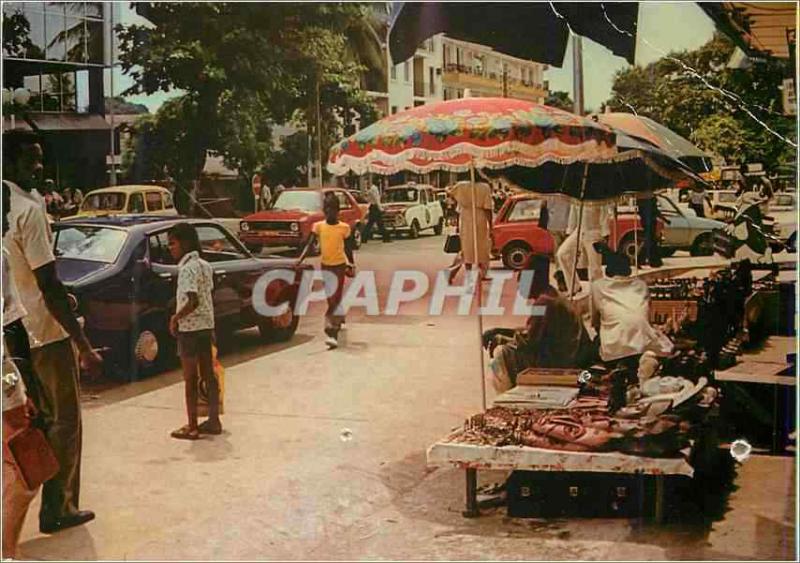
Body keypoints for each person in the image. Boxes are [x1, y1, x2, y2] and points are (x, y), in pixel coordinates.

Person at [3, 132, 102, 534]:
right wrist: (83, 343)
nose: (38, 167)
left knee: (31, 422)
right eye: (29, 160)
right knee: (65, 422)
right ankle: (58, 508)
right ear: (8, 162)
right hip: (44, 333)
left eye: (40, 159)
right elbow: (48, 284)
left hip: (12, 333)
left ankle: (22, 509)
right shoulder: (30, 209)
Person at [484, 256, 596, 393]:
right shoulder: (551, 295)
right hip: (573, 356)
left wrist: (501, 338)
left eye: (522, 282)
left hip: (566, 363)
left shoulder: (545, 302)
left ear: (534, 281)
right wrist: (501, 331)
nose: (519, 287)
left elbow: (530, 342)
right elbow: (532, 332)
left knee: (502, 352)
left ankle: (508, 396)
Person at [2, 182, 39, 558]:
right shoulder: (0, 256)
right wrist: (27, 389)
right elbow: (11, 328)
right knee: (26, 472)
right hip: (3, 379)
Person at [167, 222, 220, 440]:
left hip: (189, 329)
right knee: (209, 375)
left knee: (190, 378)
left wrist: (175, 317)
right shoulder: (205, 266)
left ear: (185, 243)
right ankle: (214, 419)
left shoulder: (186, 269)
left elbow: (193, 300)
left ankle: (192, 425)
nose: (171, 248)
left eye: (173, 243)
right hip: (206, 326)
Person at [590, 243, 673, 365]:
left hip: (613, 350)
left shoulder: (598, 286)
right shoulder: (641, 285)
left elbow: (595, 322)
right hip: (642, 346)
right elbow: (646, 319)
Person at [299, 193, 356, 349]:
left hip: (339, 266)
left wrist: (352, 264)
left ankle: (332, 332)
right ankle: (339, 316)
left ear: (338, 211)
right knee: (332, 297)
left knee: (333, 298)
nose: (329, 212)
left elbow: (349, 249)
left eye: (332, 209)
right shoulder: (318, 227)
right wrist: (299, 260)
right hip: (326, 266)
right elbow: (309, 245)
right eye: (326, 209)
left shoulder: (344, 228)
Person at [556, 200, 612, 293]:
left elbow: (604, 215)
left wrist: (605, 234)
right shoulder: (576, 196)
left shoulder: (598, 195)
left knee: (595, 270)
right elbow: (573, 216)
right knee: (562, 254)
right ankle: (574, 286)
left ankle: (598, 295)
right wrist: (569, 232)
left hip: (594, 232)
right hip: (578, 231)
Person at [448, 176, 493, 280]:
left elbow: (451, 196)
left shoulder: (460, 186)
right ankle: (480, 273)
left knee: (467, 248)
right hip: (479, 218)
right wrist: (490, 224)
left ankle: (472, 273)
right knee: (481, 247)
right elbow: (488, 208)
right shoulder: (484, 187)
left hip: (465, 218)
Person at [636, 192, 663, 268]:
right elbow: (655, 211)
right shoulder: (647, 201)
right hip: (649, 220)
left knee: (650, 239)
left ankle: (651, 260)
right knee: (650, 239)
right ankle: (650, 260)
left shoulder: (643, 201)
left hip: (648, 220)